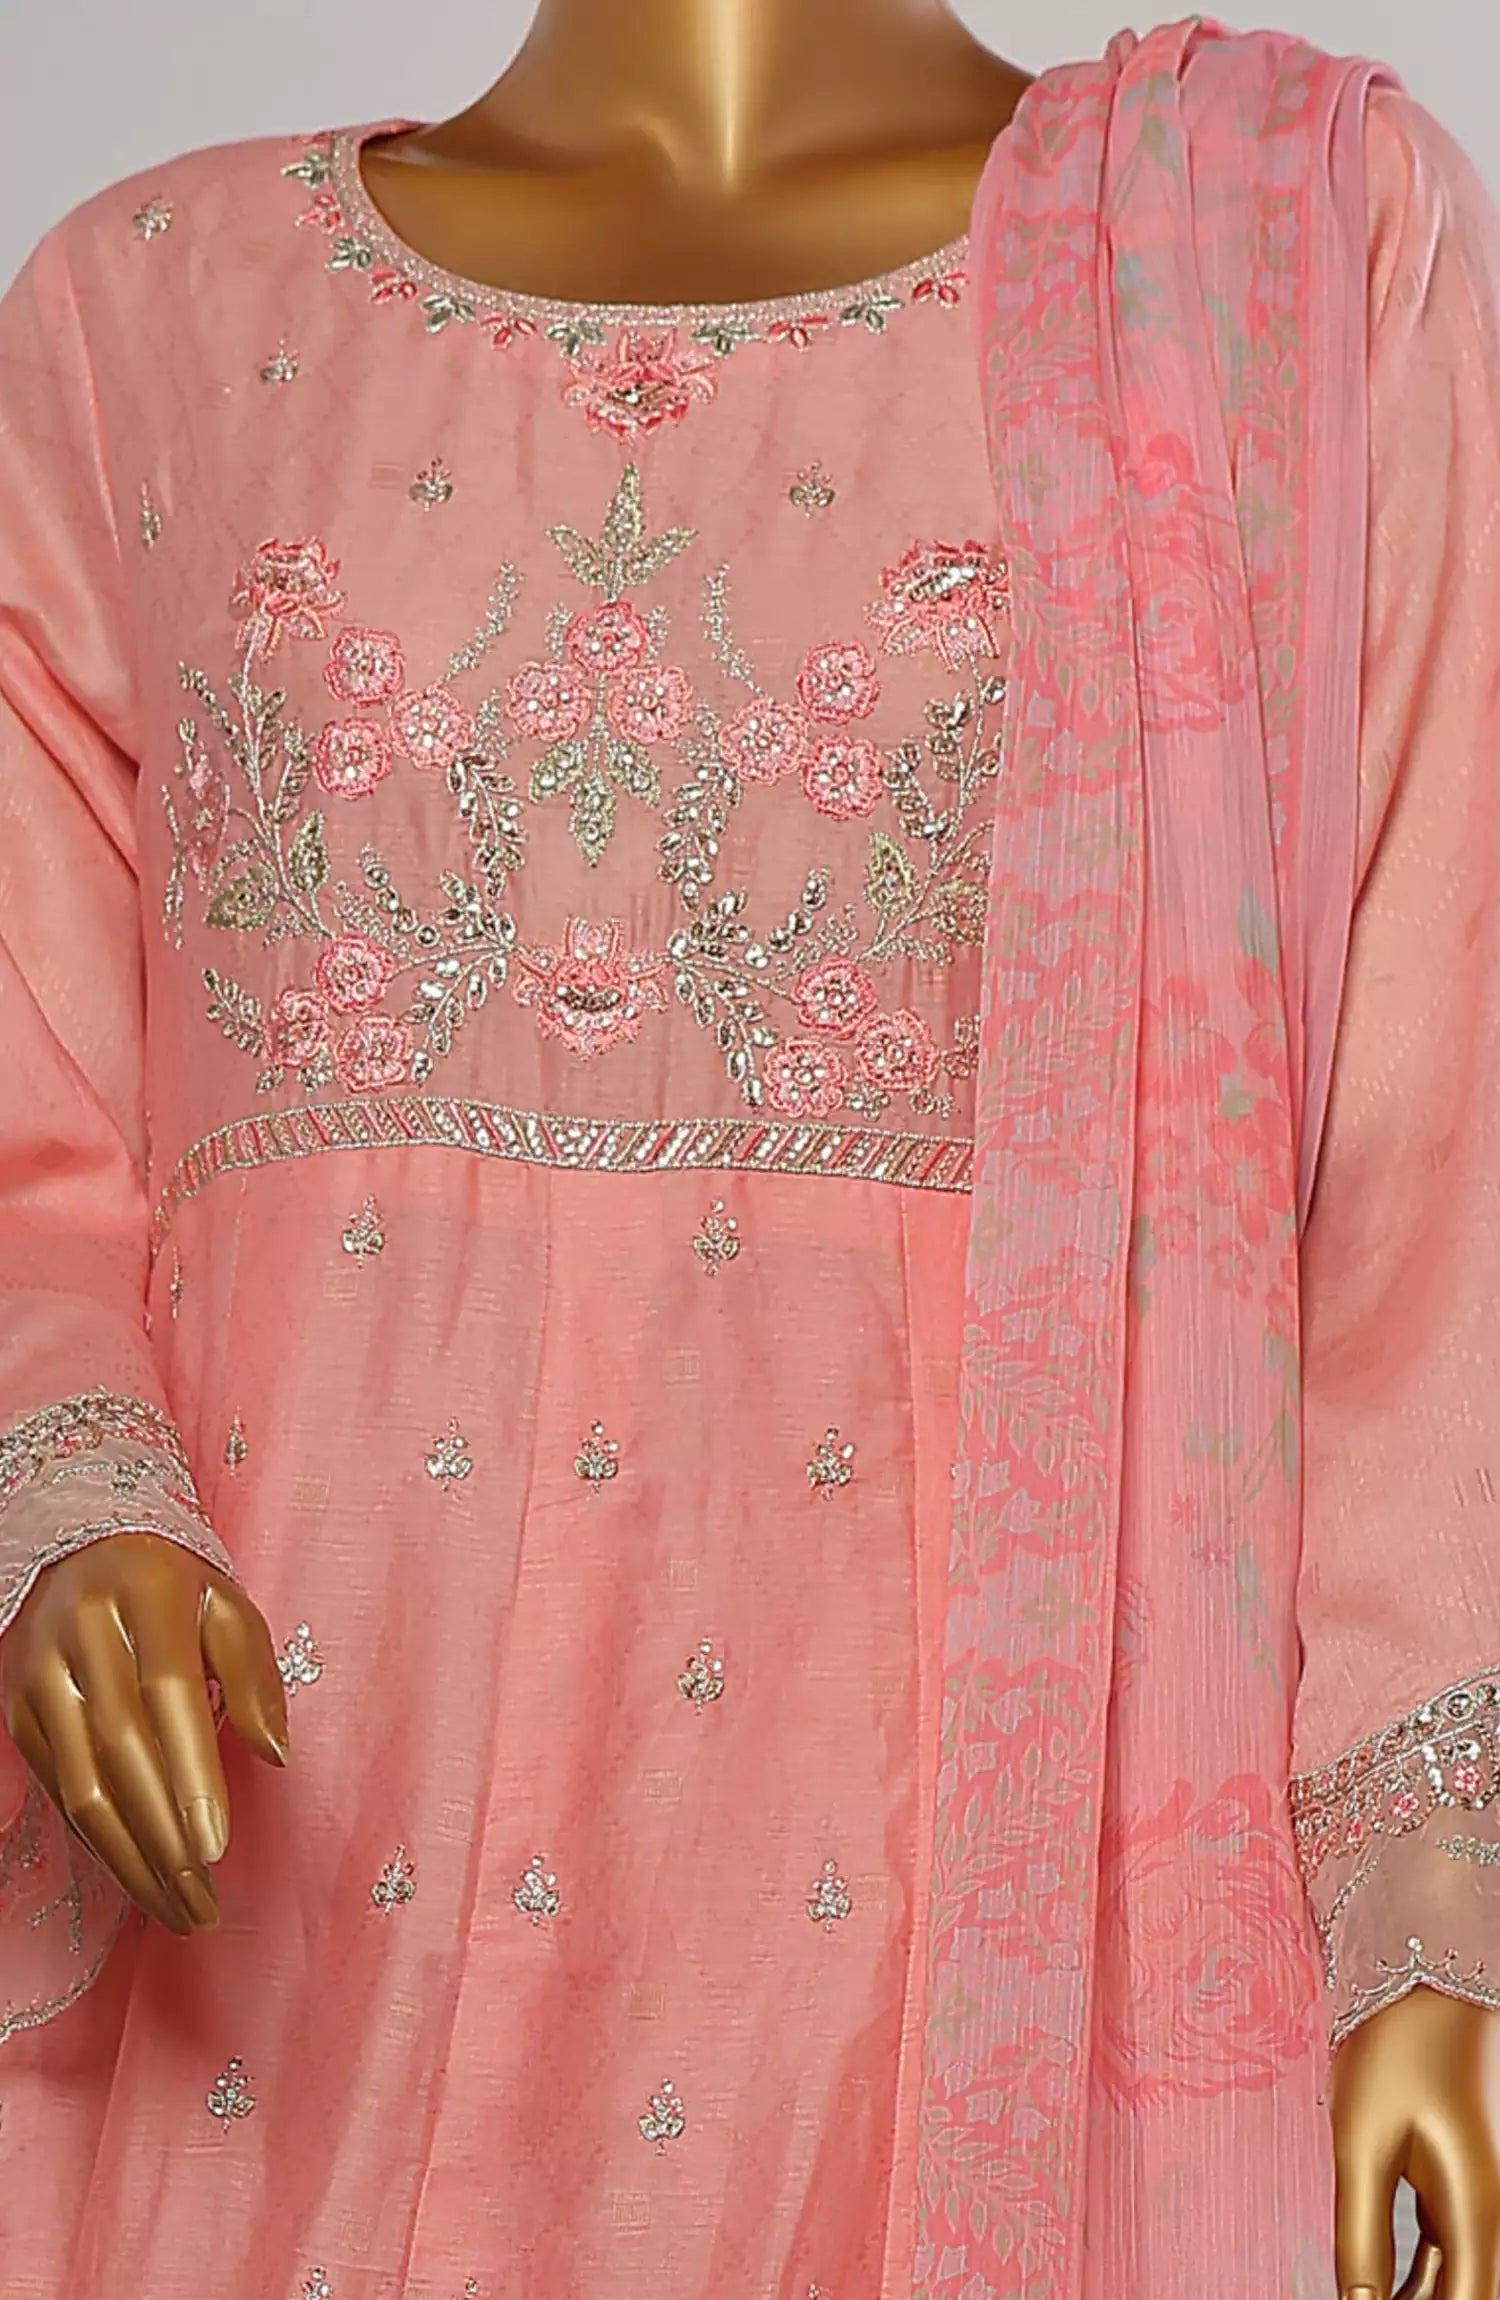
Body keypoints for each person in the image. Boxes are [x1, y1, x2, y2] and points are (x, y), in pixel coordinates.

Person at [2, 2, 1499, 2294]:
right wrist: (65, 1501)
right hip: (283, 1928)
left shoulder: (1268, 243)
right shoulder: (154, 310)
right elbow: (31, 1091)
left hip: (932, 1954)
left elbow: (1428, 1155)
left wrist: (1432, 1895)